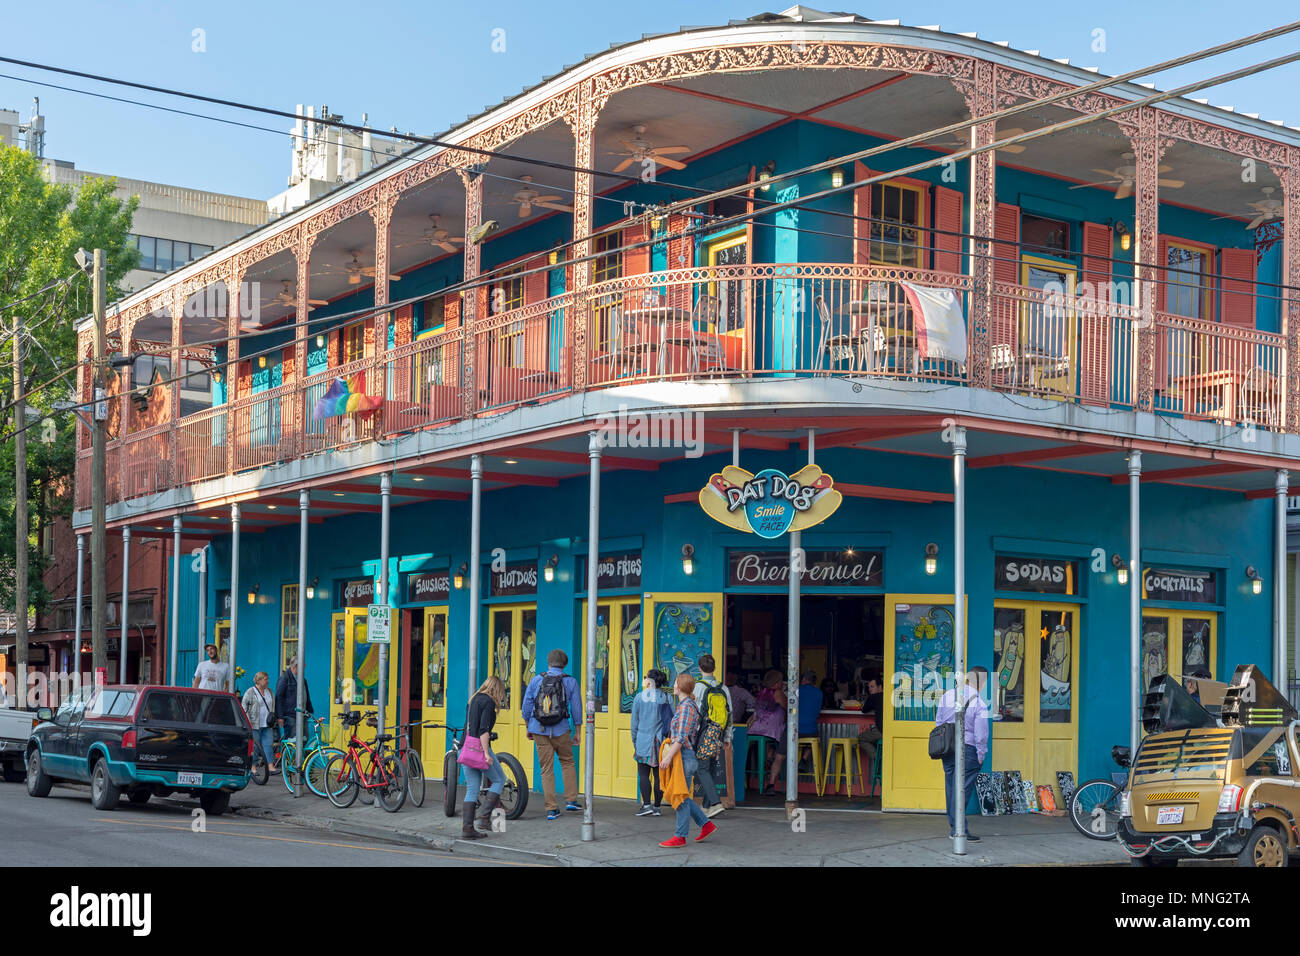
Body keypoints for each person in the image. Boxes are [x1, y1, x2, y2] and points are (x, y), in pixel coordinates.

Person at [522, 648, 583, 820]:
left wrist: (528, 726)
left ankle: (551, 809)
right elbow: (577, 708)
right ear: (564, 664)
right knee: (567, 762)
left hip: (539, 729)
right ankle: (571, 800)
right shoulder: (570, 681)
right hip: (561, 729)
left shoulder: (536, 680)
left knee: (546, 769)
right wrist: (577, 731)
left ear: (548, 663)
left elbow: (526, 706)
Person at [657, 673, 717, 847]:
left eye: (676, 683)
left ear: (681, 686)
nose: (674, 685)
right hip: (685, 756)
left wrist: (667, 757)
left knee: (680, 796)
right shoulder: (687, 705)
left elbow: (681, 737)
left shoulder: (685, 708)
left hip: (683, 756)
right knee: (681, 795)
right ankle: (706, 824)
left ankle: (680, 836)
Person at [935, 667, 990, 841]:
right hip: (968, 749)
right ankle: (958, 831)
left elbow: (939, 723)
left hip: (948, 749)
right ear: (982, 682)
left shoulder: (947, 696)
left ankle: (956, 827)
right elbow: (981, 735)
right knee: (963, 790)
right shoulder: (979, 703)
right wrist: (981, 755)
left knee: (951, 788)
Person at [460, 675, 509, 840]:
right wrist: (486, 754)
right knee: (499, 779)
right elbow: (483, 730)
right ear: (497, 690)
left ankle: (467, 829)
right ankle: (483, 818)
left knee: (472, 788)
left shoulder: (473, 699)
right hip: (479, 749)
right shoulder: (488, 702)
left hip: (466, 748)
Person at [692, 654, 733, 818]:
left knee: (702, 769)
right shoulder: (724, 688)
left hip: (704, 733)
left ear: (699, 668)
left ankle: (715, 802)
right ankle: (707, 808)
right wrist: (728, 737)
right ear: (714, 668)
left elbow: (696, 714)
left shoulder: (698, 688)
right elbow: (730, 714)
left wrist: (692, 736)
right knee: (712, 768)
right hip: (719, 733)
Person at [630, 669, 673, 816]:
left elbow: (634, 724)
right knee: (658, 776)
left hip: (643, 740)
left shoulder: (639, 697)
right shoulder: (668, 698)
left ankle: (646, 805)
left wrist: (635, 741)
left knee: (643, 774)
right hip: (660, 743)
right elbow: (672, 722)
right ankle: (657, 807)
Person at [748, 670, 787, 795]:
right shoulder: (779, 693)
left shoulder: (761, 693)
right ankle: (769, 760)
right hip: (771, 729)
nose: (782, 683)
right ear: (776, 683)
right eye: (781, 680)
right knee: (782, 738)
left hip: (755, 728)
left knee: (770, 744)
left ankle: (768, 758)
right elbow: (791, 708)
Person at [242, 671, 277, 772]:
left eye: (267, 679)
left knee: (268, 745)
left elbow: (272, 706)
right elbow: (244, 707)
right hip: (254, 724)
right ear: (259, 680)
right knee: (255, 747)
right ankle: (253, 766)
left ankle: (270, 765)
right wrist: (247, 720)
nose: (268, 681)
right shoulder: (251, 691)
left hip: (267, 724)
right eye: (266, 679)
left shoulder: (269, 691)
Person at [275, 655, 314, 741]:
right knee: (293, 739)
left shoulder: (303, 679)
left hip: (302, 714)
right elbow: (279, 697)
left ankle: (299, 755)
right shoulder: (285, 678)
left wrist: (309, 710)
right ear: (295, 666)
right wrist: (280, 716)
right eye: (302, 667)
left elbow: (306, 695)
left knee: (304, 738)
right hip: (290, 715)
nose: (303, 670)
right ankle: (288, 755)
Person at [856, 674, 885, 775]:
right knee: (875, 741)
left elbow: (864, 710)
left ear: (880, 687)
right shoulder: (889, 696)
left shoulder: (873, 697)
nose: (869, 689)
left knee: (861, 738)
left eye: (872, 686)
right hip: (891, 731)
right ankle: (879, 759)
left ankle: (879, 759)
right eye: (869, 687)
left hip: (881, 731)